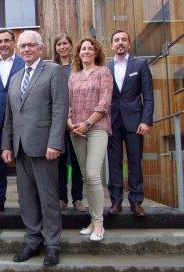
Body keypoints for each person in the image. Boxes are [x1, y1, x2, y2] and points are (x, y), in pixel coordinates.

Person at [1, 30, 67, 266]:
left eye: (31, 45)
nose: (26, 49)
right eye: (23, 46)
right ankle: (32, 240)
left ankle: (52, 244)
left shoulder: (53, 71)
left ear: (40, 48)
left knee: (48, 198)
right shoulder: (16, 77)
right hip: (19, 148)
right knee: (26, 199)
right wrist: (6, 144)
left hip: (44, 147)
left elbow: (60, 109)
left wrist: (54, 142)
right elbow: (9, 115)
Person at [67, 37, 113, 242]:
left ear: (96, 52)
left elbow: (104, 102)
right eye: (82, 48)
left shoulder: (103, 72)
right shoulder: (73, 77)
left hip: (97, 128)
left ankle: (99, 224)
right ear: (78, 53)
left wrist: (87, 123)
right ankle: (93, 221)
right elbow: (67, 103)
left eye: (90, 48)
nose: (86, 51)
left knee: (94, 175)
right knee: (86, 176)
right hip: (76, 130)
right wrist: (70, 123)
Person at [107, 30, 154, 217]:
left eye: (123, 40)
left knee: (135, 161)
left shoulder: (140, 64)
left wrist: (146, 121)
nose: (120, 43)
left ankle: (136, 201)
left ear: (129, 43)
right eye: (116, 40)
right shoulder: (106, 68)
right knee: (114, 163)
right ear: (111, 45)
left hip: (135, 122)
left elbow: (148, 96)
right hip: (112, 121)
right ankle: (116, 202)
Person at [0, 29, 25, 214]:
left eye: (7, 41)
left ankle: (27, 201)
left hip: (22, 120)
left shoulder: (24, 63)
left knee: (25, 165)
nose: (3, 44)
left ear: (13, 42)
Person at [52, 33, 85, 212]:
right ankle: (61, 197)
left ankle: (77, 198)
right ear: (55, 48)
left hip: (76, 121)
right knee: (60, 161)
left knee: (78, 161)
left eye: (65, 43)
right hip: (58, 122)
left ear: (71, 45)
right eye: (59, 44)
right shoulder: (51, 67)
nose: (62, 47)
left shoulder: (78, 67)